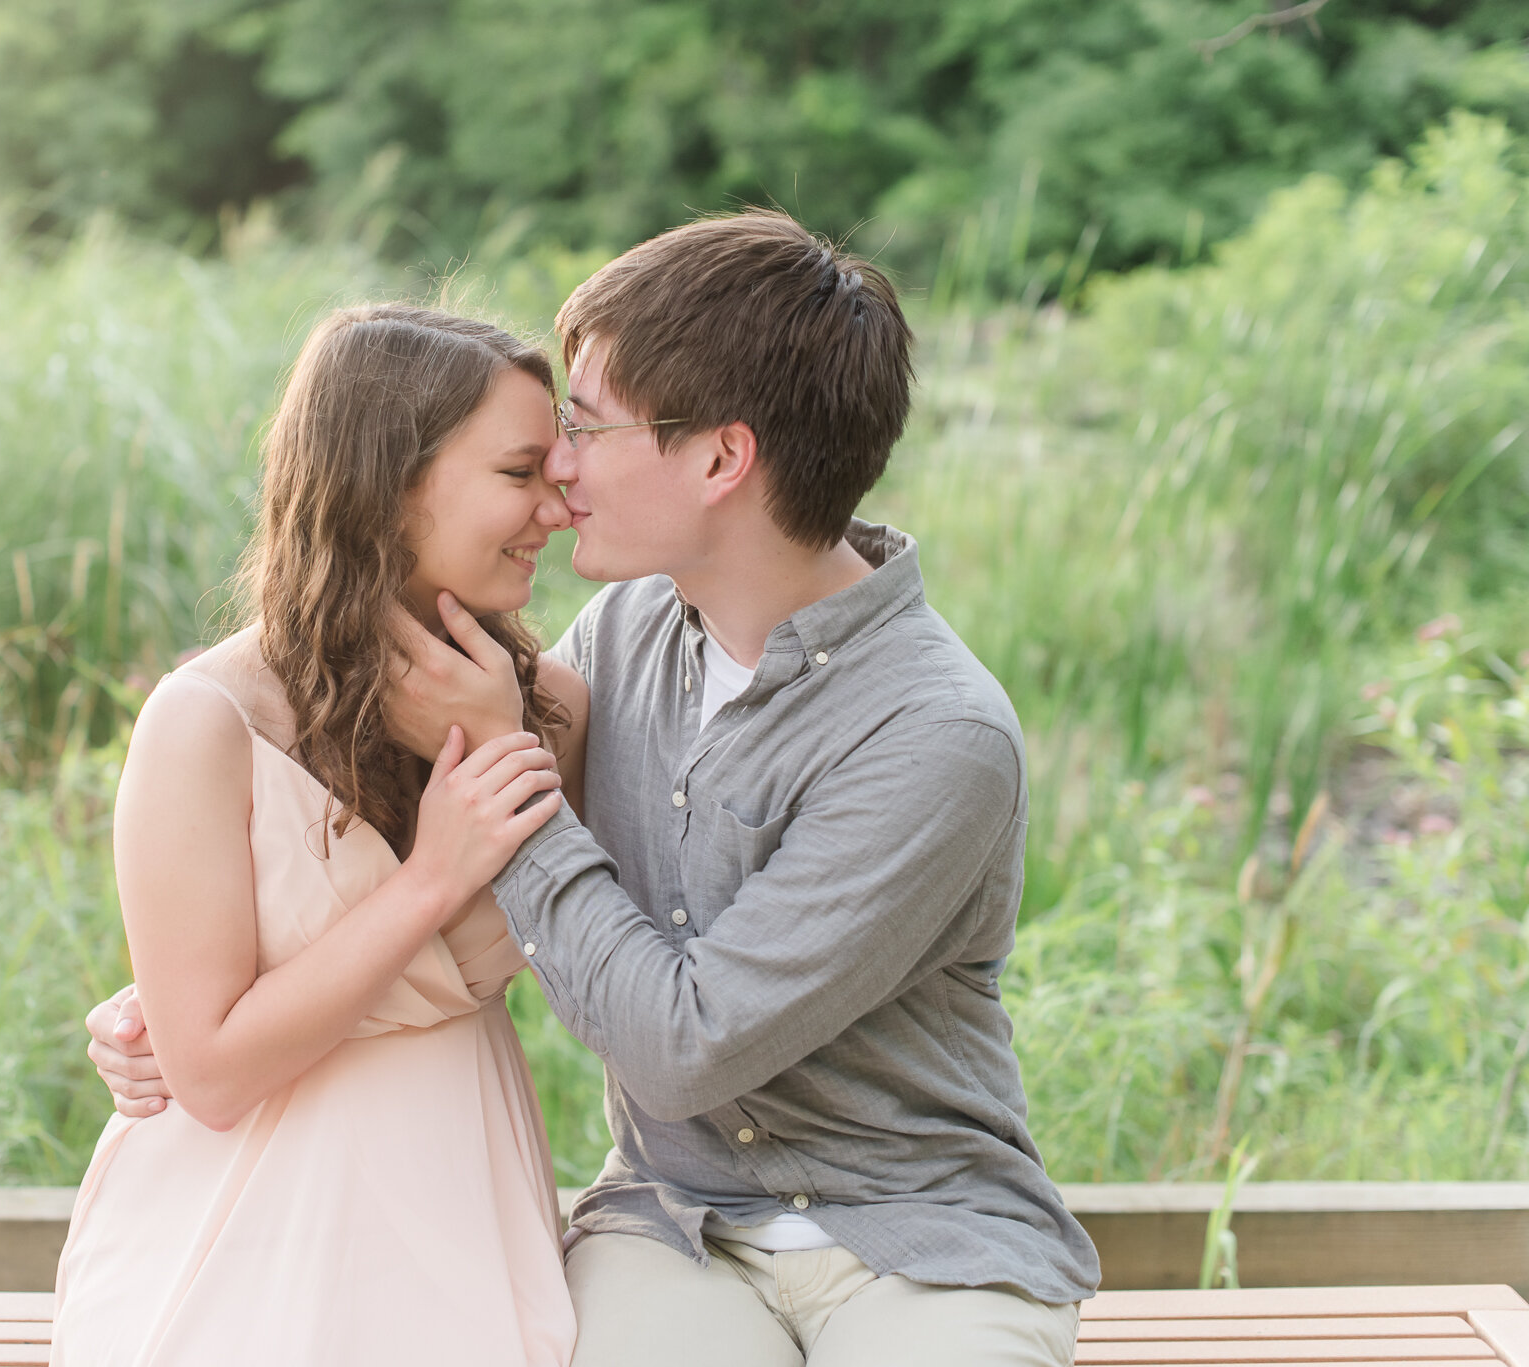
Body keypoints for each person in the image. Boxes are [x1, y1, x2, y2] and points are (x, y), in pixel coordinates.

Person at [90, 211, 1101, 1365]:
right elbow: (331, 850)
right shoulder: (620, 638)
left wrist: (503, 765)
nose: (561, 468)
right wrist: (165, 999)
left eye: (583, 427)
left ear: (721, 459)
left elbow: (680, 1039)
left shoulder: (933, 734)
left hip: (916, 1233)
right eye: (537, 449)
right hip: (676, 1227)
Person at [50, 304, 582, 1366]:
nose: (557, 507)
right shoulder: (206, 723)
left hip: (458, 1201)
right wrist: (429, 879)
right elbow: (205, 1072)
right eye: (521, 472)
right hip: (236, 1223)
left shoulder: (553, 712)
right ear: (388, 486)